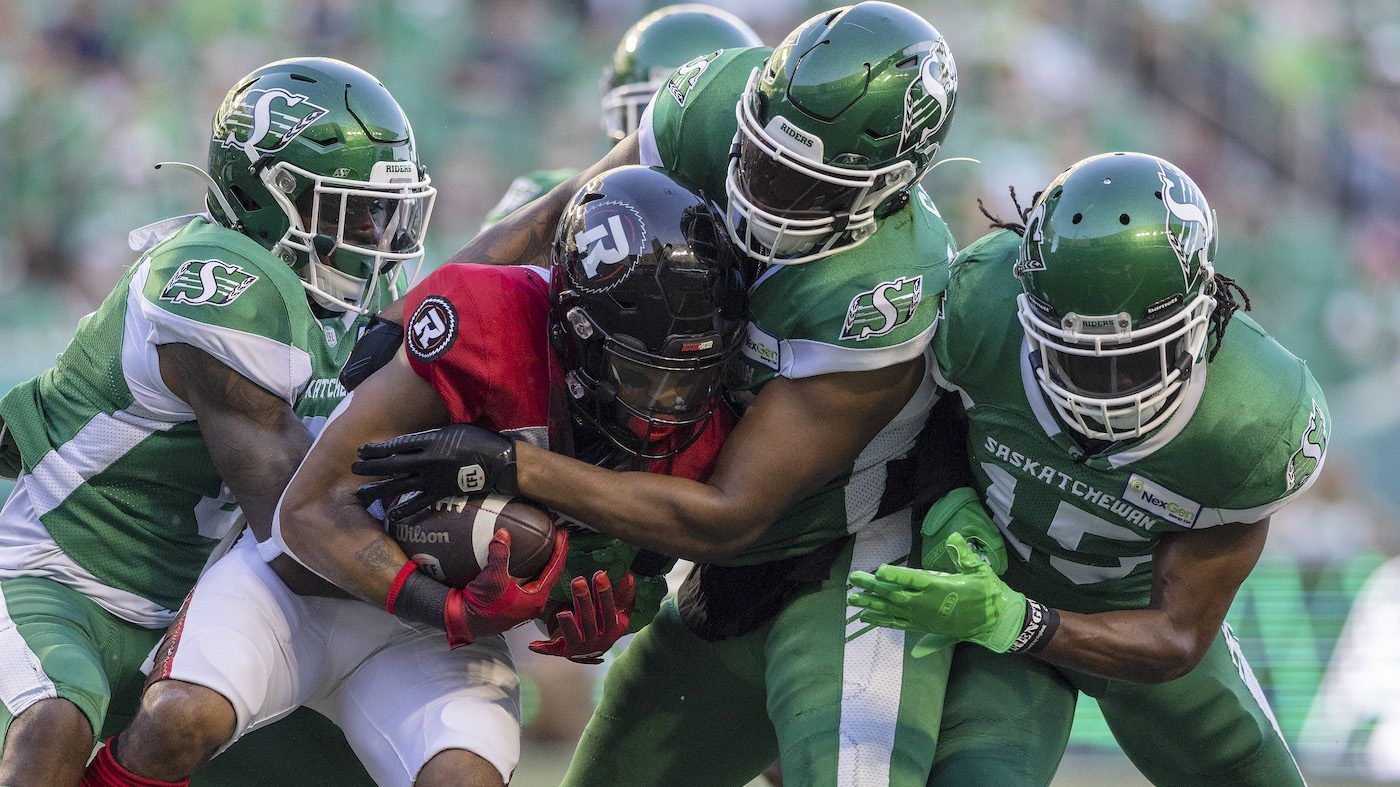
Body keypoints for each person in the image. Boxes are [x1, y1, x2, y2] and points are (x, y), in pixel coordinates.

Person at [356, 4, 965, 784]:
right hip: (706, 556)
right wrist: (408, 315)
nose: (764, 190)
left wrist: (512, 467)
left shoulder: (880, 291)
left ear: (889, 189)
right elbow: (555, 213)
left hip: (837, 557)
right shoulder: (712, 102)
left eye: (808, 184)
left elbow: (729, 513)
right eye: (761, 155)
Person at [93, 165, 747, 787]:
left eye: (689, 373)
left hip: (429, 639)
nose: (666, 401)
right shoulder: (487, 326)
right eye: (641, 370)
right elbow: (306, 510)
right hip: (299, 586)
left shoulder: (703, 432)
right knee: (178, 716)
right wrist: (448, 604)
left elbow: (642, 574)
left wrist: (599, 623)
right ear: (572, 329)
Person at [0, 56, 434, 786]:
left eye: (385, 210)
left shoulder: (340, 300)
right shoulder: (219, 284)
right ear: (272, 194)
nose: (377, 234)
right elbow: (298, 526)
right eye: (354, 210)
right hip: (61, 580)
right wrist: (441, 590)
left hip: (186, 598)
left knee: (342, 759)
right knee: (53, 724)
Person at [848, 152, 1326, 785]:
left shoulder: (1253, 422)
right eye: (1072, 356)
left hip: (1125, 613)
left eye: (1132, 360)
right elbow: (919, 421)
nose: (1102, 388)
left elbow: (1178, 637)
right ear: (1028, 310)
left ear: (1202, 314)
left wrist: (1018, 620)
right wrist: (949, 502)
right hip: (991, 587)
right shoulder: (982, 302)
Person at [478, 3, 761, 231]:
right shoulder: (550, 198)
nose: (666, 145)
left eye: (694, 125)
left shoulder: (767, 222)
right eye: (644, 120)